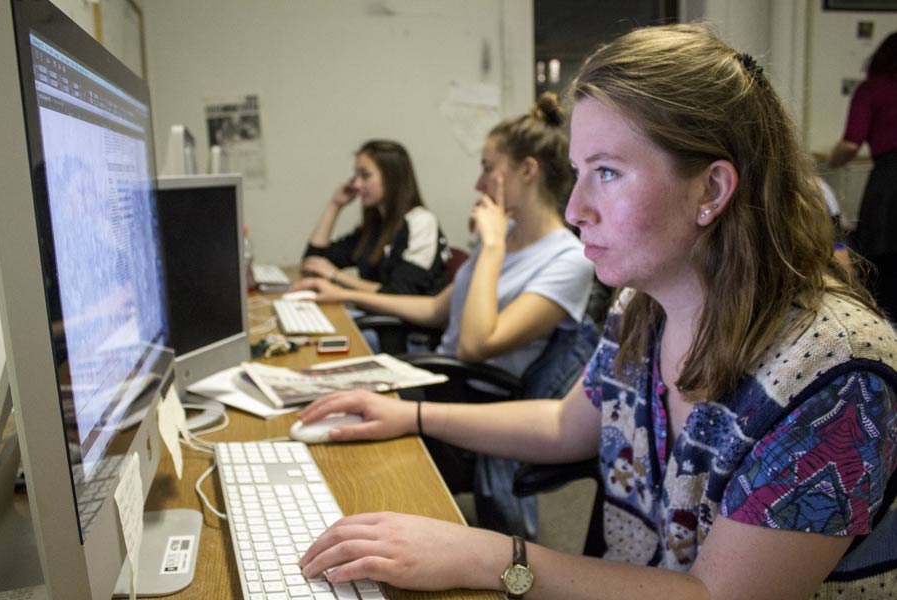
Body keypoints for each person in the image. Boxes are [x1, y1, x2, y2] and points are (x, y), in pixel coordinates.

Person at [293, 24, 897, 599]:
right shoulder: (641, 304)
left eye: (607, 172)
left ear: (711, 190)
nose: (577, 208)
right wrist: (412, 415)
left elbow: (716, 593)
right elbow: (567, 424)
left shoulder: (838, 377)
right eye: (580, 173)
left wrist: (491, 555)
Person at [294, 92, 595, 539]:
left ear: (527, 171)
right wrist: (336, 293)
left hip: (476, 398)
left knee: (341, 440)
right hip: (441, 380)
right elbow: (437, 309)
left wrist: (491, 248)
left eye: (489, 168)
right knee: (315, 398)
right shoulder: (507, 235)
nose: (479, 183)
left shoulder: (569, 260)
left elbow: (476, 345)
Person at [301, 139, 450, 296]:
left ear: (392, 178)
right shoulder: (377, 224)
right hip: (372, 315)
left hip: (399, 320)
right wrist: (334, 205)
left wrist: (336, 276)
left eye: (365, 176)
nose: (356, 184)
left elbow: (400, 293)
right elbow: (312, 263)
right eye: (356, 176)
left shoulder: (421, 222)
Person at [828, 32, 897, 321]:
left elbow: (851, 144)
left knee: (884, 269)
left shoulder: (872, 90)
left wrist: (831, 163)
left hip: (889, 185)